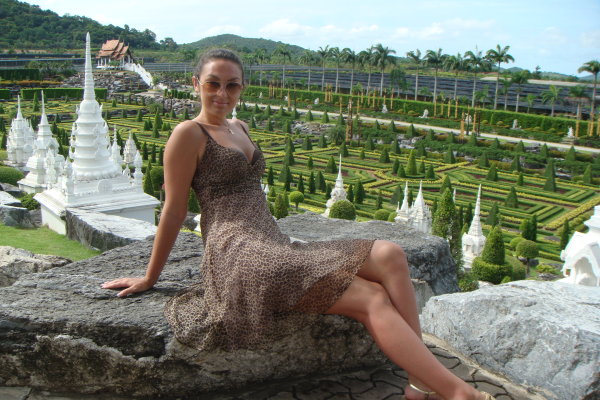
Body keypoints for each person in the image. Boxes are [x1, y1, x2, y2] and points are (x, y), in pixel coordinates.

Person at [102, 49, 494, 400]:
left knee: (390, 254)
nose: (222, 93)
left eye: (232, 85)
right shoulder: (188, 134)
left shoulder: (240, 127)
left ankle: (420, 381)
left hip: (273, 240)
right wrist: (150, 277)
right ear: (195, 84)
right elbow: (174, 210)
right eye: (213, 84)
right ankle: (458, 392)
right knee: (371, 298)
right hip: (237, 251)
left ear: (242, 87)